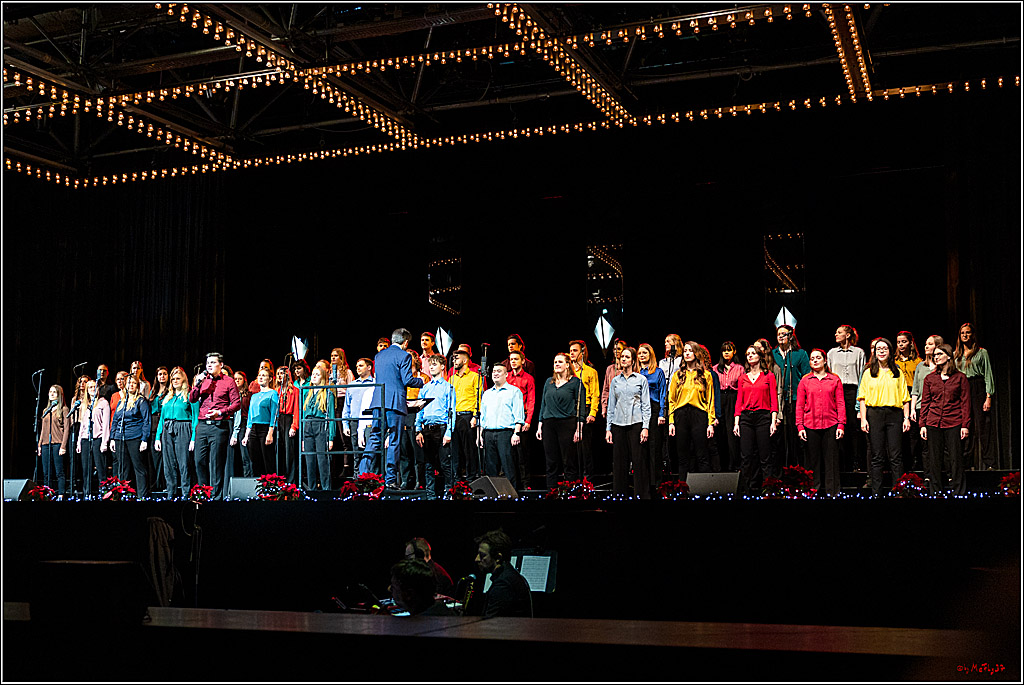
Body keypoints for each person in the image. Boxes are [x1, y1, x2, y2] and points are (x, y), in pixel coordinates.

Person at [362, 329, 425, 489]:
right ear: (406, 342)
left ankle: (362, 473)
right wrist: (421, 382)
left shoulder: (379, 356)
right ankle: (390, 480)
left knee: (375, 437)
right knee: (394, 439)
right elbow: (407, 380)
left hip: (378, 401)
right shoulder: (404, 356)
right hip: (395, 402)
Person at [858, 338, 911, 496]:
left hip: (894, 415)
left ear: (890, 352)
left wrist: (906, 418)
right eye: (878, 349)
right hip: (875, 415)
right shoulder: (868, 373)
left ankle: (899, 492)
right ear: (874, 352)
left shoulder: (897, 373)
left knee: (896, 456)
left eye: (885, 348)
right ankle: (877, 493)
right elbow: (862, 398)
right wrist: (863, 419)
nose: (881, 351)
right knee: (877, 456)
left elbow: (905, 397)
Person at [920, 344, 971, 495]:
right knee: (934, 459)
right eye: (935, 355)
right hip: (933, 421)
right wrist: (922, 424)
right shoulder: (930, 378)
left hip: (954, 421)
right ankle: (935, 492)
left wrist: (965, 425)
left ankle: (958, 492)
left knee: (956, 459)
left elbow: (965, 403)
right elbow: (925, 402)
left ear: (948, 356)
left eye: (939, 354)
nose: (936, 357)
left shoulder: (960, 378)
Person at [189, 352, 241, 500]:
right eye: (208, 363)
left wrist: (220, 412)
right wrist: (197, 383)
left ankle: (216, 498)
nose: (209, 365)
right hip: (202, 425)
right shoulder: (203, 380)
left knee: (216, 463)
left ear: (221, 365)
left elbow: (237, 403)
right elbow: (192, 399)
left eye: (213, 362)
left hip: (219, 426)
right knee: (199, 460)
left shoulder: (229, 381)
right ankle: (203, 494)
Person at [796, 349, 845, 496]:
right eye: (812, 359)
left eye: (818, 358)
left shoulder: (834, 380)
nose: (815, 360)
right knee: (812, 463)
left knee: (831, 462)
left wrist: (841, 424)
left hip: (831, 424)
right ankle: (812, 492)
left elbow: (840, 403)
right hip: (810, 425)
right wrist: (800, 426)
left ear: (825, 360)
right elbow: (800, 405)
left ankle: (833, 493)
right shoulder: (805, 381)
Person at [605, 346, 652, 498]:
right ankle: (620, 496)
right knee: (619, 463)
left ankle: (642, 496)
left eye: (626, 357)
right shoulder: (615, 381)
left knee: (639, 462)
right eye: (622, 357)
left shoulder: (641, 380)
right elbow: (611, 406)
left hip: (636, 424)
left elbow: (646, 405)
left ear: (632, 361)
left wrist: (645, 427)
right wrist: (608, 429)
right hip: (618, 424)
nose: (623, 359)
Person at [667, 341, 715, 482]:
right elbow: (672, 400)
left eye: (690, 351)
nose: (687, 353)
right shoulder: (677, 375)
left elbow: (710, 400)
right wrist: (671, 422)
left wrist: (710, 423)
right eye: (685, 351)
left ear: (696, 353)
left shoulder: (706, 375)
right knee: (683, 456)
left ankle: (704, 488)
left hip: (699, 415)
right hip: (681, 415)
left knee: (701, 454)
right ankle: (682, 488)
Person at [536, 353, 586, 488]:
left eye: (560, 362)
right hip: (549, 424)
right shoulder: (549, 382)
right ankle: (551, 492)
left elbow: (581, 407)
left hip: (567, 423)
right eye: (555, 362)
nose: (557, 364)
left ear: (567, 365)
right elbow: (543, 404)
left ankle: (571, 492)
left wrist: (579, 429)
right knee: (551, 461)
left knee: (568, 461)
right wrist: (540, 425)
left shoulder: (575, 383)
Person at [735, 345, 779, 496]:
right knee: (746, 456)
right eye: (748, 354)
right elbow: (739, 401)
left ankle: (768, 490)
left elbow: (773, 400)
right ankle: (745, 490)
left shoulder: (769, 376)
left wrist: (773, 421)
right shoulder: (742, 378)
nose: (750, 356)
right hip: (746, 418)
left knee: (765, 456)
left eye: (753, 353)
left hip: (763, 417)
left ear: (760, 356)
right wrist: (736, 422)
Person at [954, 323, 996, 469]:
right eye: (962, 333)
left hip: (978, 387)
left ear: (973, 334)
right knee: (966, 426)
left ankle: (989, 463)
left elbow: (988, 374)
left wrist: (988, 396)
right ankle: (967, 463)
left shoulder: (982, 352)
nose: (965, 335)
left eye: (968, 332)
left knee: (983, 426)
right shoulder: (956, 354)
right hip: (962, 388)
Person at [477, 362, 525, 490]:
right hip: (488, 433)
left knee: (509, 466)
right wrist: (480, 435)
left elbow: (518, 414)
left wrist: (516, 433)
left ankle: (511, 494)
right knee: (491, 468)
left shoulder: (514, 391)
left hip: (506, 433)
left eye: (499, 371)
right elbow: (483, 416)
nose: (496, 374)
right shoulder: (487, 394)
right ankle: (493, 495)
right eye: (494, 371)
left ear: (506, 374)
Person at [153, 367, 198, 499]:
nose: (175, 381)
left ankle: (185, 493)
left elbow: (195, 418)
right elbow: (162, 419)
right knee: (168, 463)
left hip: (183, 428)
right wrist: (158, 437)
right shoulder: (168, 397)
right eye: (173, 379)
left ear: (184, 380)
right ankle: (170, 493)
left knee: (184, 463)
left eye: (178, 378)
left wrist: (193, 438)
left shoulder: (189, 396)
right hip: (168, 429)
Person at [414, 354, 455, 498]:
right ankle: (430, 495)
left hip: (441, 428)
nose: (431, 367)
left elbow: (451, 411)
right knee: (428, 464)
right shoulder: (425, 388)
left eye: (435, 364)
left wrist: (449, 432)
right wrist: (418, 429)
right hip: (427, 429)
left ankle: (449, 493)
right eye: (430, 364)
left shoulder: (448, 387)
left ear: (442, 367)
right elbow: (419, 410)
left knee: (445, 464)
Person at [828, 324, 867, 473]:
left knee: (853, 426)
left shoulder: (858, 352)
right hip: (836, 390)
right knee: (838, 425)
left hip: (853, 391)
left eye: (839, 332)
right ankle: (841, 462)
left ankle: (856, 461)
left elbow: (862, 375)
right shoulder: (831, 353)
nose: (836, 334)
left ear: (848, 335)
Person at [470, 530, 532, 618]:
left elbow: (490, 621)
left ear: (498, 557)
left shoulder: (503, 584)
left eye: (482, 555)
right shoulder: (510, 575)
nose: (477, 559)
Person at [772, 325, 810, 469]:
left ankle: (799, 469)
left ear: (790, 336)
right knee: (780, 437)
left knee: (795, 436)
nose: (780, 336)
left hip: (795, 399)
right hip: (778, 400)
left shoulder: (800, 354)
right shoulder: (773, 354)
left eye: (784, 334)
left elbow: (806, 376)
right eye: (778, 334)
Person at [110, 375, 152, 498]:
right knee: (123, 469)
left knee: (139, 468)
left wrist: (144, 439)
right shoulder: (122, 401)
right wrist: (112, 438)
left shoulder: (141, 401)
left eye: (133, 383)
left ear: (137, 386)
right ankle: (124, 495)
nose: (131, 385)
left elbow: (147, 421)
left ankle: (142, 496)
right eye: (129, 383)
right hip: (120, 438)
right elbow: (115, 420)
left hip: (135, 437)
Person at [449, 347, 482, 482]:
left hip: (467, 415)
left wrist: (475, 416)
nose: (454, 361)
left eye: (457, 358)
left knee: (469, 450)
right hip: (454, 416)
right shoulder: (451, 378)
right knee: (455, 450)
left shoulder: (475, 376)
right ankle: (456, 479)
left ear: (464, 360)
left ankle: (471, 478)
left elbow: (478, 397)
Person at [637, 343, 667, 490]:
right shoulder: (636, 372)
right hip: (638, 410)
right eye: (640, 353)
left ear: (650, 355)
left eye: (645, 353)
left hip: (654, 409)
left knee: (654, 446)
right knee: (641, 446)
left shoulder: (658, 372)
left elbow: (662, 393)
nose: (642, 355)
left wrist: (662, 413)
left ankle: (656, 483)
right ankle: (642, 482)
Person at [301, 363, 336, 490]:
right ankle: (312, 489)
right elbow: (303, 415)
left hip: (320, 425)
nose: (314, 376)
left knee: (322, 460)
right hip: (308, 426)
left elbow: (331, 417)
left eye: (317, 374)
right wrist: (303, 438)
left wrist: (331, 437)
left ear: (323, 377)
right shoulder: (307, 394)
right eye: (313, 374)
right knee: (309, 460)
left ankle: (326, 488)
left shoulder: (328, 394)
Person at [399, 350, 431, 490]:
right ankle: (405, 481)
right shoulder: (400, 377)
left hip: (416, 415)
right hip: (403, 415)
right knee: (403, 451)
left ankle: (419, 481)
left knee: (418, 451)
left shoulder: (423, 377)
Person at [568, 340, 600, 478]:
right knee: (570, 446)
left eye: (575, 350)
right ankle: (573, 478)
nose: (572, 353)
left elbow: (595, 394)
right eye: (570, 351)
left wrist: (592, 413)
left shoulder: (590, 371)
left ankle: (588, 479)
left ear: (582, 352)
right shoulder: (567, 372)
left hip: (585, 410)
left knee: (585, 447)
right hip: (570, 411)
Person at [506, 350, 536, 489]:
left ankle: (525, 485)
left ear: (523, 361)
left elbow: (531, 400)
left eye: (516, 359)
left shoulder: (528, 378)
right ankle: (510, 485)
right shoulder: (506, 377)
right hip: (508, 420)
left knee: (522, 455)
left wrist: (528, 420)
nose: (513, 361)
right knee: (509, 455)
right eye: (511, 359)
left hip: (522, 419)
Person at [76, 380, 111, 498]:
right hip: (86, 439)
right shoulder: (85, 404)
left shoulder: (103, 403)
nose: (92, 389)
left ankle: (103, 494)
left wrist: (104, 442)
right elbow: (82, 425)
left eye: (94, 387)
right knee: (86, 470)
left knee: (101, 469)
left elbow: (105, 424)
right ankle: (87, 494)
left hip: (98, 438)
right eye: (90, 387)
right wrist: (79, 442)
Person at [713, 342, 744, 472]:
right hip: (720, 398)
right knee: (720, 432)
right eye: (724, 350)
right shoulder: (715, 368)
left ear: (734, 352)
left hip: (733, 398)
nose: (726, 353)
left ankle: (734, 465)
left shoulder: (739, 368)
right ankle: (721, 466)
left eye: (729, 350)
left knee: (732, 433)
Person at [242, 367, 278, 478]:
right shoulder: (254, 396)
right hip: (254, 429)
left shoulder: (273, 393)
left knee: (267, 459)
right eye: (260, 375)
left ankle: (270, 484)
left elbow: (274, 414)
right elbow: (250, 416)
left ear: (270, 379)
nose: (261, 378)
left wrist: (270, 432)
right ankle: (257, 483)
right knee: (255, 460)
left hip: (265, 428)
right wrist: (246, 435)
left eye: (264, 375)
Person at [895, 331, 923, 470]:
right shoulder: (894, 362)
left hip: (913, 394)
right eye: (899, 342)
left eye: (904, 342)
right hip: (898, 395)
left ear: (910, 343)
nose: (901, 345)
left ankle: (915, 462)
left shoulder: (918, 362)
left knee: (913, 431)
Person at [343, 358, 376, 476]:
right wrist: (345, 424)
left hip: (369, 421)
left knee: (370, 452)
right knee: (356, 452)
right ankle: (357, 479)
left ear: (369, 367)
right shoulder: (352, 385)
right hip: (354, 421)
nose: (358, 368)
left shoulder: (375, 384)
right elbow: (347, 406)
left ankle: (371, 478)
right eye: (357, 366)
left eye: (361, 366)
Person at [658, 334, 684, 478]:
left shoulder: (681, 360)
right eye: (665, 341)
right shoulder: (663, 362)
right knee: (665, 434)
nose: (666, 344)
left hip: (679, 397)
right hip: (666, 397)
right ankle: (666, 465)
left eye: (668, 341)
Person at [389, 559, 456, 616]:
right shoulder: (440, 610)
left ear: (408, 594)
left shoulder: (420, 624)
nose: (389, 589)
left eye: (393, 587)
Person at [328, 348, 356, 479]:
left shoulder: (347, 372)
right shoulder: (329, 372)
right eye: (332, 356)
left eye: (336, 356)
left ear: (341, 358)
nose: (333, 358)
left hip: (342, 402)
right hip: (331, 402)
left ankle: (347, 467)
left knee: (344, 437)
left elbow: (352, 390)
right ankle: (333, 468)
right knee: (332, 437)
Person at [37, 384, 70, 497]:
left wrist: (63, 446)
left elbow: (66, 429)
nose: (51, 394)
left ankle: (61, 494)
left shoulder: (64, 409)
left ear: (59, 395)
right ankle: (48, 494)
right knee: (46, 472)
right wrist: (40, 444)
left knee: (59, 471)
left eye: (54, 392)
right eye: (50, 392)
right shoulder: (46, 410)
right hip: (45, 443)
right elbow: (43, 429)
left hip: (57, 443)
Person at [148, 366, 171, 493]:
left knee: (165, 457)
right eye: (160, 374)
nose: (162, 376)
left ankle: (165, 484)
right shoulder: (153, 391)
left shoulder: (170, 390)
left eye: (164, 374)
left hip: (165, 423)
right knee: (154, 457)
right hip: (153, 425)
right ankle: (155, 485)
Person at [276, 366, 300, 483]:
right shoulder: (276, 391)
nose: (280, 376)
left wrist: (294, 426)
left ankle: (291, 480)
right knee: (279, 450)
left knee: (289, 451)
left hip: (289, 419)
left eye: (282, 373)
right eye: (278, 374)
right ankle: (279, 478)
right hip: (278, 420)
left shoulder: (295, 390)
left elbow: (296, 409)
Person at [229, 370, 251, 480]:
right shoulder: (230, 394)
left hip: (244, 424)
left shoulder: (249, 395)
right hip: (232, 423)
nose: (237, 381)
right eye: (235, 379)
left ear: (244, 381)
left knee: (245, 455)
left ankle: (247, 478)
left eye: (240, 379)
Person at [600, 338, 628, 418]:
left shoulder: (628, 369)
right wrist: (604, 407)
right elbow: (606, 389)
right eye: (615, 349)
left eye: (619, 349)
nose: (616, 351)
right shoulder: (610, 369)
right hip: (611, 406)